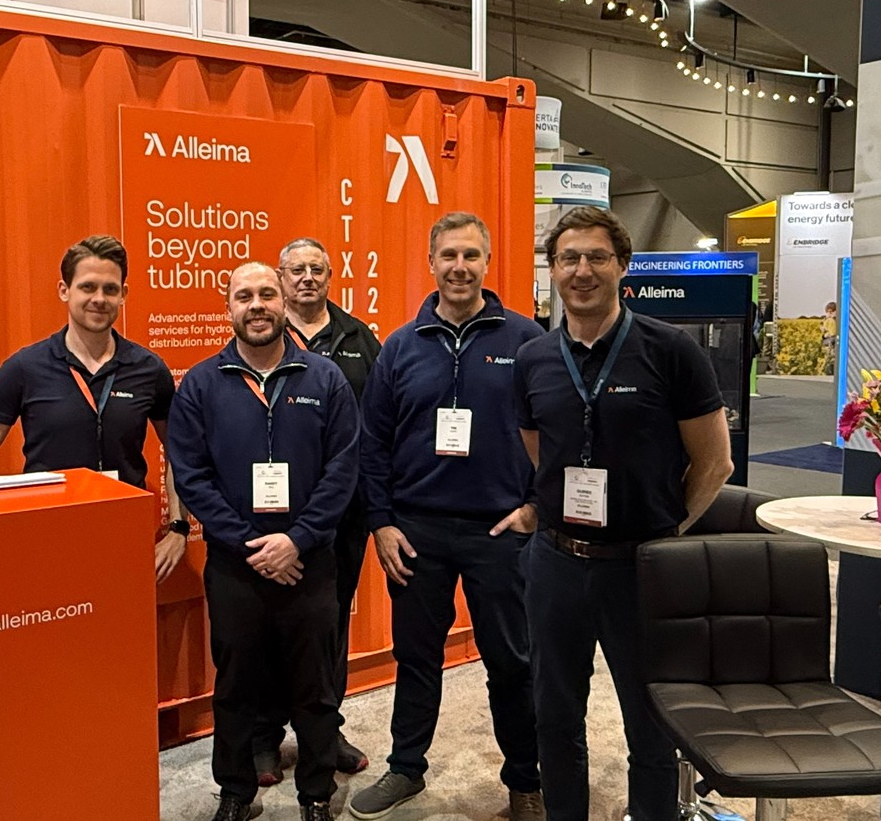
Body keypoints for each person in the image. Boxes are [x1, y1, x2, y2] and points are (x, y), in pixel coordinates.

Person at [514, 207, 734, 821]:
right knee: (554, 715)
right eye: (568, 259)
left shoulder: (671, 351)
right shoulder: (533, 359)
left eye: (597, 258)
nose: (582, 271)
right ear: (553, 270)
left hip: (643, 568)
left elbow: (715, 464)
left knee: (652, 719)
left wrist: (666, 529)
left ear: (622, 267)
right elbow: (542, 455)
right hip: (555, 565)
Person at [351, 212, 546, 821]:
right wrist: (381, 522)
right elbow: (371, 442)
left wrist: (537, 509)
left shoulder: (526, 340)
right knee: (415, 659)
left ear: (487, 264)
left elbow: (561, 431)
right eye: (448, 256)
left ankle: (525, 782)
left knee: (511, 664)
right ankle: (406, 768)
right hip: (416, 533)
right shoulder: (400, 347)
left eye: (471, 256)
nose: (459, 267)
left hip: (500, 532)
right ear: (430, 263)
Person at [166, 262, 361, 821]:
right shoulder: (202, 384)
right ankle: (234, 792)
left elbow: (343, 468)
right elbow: (192, 474)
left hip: (311, 564)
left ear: (283, 304)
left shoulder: (324, 379)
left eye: (266, 294)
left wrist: (296, 541)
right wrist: (256, 545)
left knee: (316, 688)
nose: (257, 305)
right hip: (235, 567)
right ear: (227, 308)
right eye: (243, 296)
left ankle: (316, 795)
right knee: (235, 687)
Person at [0, 235, 187, 583]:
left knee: (123, 637)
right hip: (44, 540)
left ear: (124, 295)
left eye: (110, 289)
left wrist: (179, 528)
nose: (99, 299)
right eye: (87, 287)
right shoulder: (25, 367)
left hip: (126, 539)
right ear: (64, 290)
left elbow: (179, 452)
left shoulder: (149, 369)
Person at [252, 238, 382, 785]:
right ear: (280, 279)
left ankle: (323, 733)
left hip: (338, 518)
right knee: (263, 628)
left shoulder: (359, 339)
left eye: (316, 269)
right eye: (295, 270)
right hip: (268, 519)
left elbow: (377, 428)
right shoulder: (258, 336)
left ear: (331, 275)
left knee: (328, 628)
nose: (306, 278)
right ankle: (263, 737)